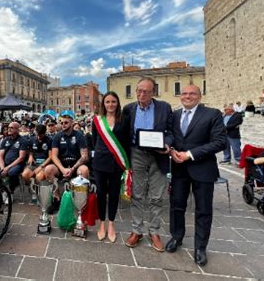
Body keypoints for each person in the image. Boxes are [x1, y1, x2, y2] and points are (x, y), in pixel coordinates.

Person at [167, 85, 227, 266]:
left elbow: (220, 142)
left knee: (203, 210)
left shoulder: (212, 114)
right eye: (184, 93)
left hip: (203, 169)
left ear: (199, 97)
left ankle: (200, 247)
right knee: (176, 206)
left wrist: (190, 154)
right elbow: (169, 135)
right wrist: (171, 151)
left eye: (192, 93)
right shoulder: (174, 115)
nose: (187, 96)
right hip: (178, 169)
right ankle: (176, 237)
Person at [122, 78, 173, 252]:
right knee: (136, 193)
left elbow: (171, 131)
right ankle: (137, 230)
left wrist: (166, 144)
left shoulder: (164, 107)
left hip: (158, 155)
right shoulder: (129, 109)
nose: (142, 94)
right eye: (139, 91)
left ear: (153, 92)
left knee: (157, 196)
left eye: (146, 91)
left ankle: (154, 231)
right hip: (137, 154)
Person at [92, 92, 129, 243]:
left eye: (113, 101)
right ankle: (102, 224)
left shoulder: (124, 120)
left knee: (114, 194)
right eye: (107, 102)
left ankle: (111, 224)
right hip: (100, 163)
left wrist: (127, 164)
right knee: (101, 194)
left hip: (116, 163)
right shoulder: (97, 120)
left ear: (118, 103)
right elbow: (95, 141)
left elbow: (126, 142)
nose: (110, 105)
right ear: (103, 104)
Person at [44, 110, 89, 212]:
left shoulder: (79, 136)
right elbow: (54, 156)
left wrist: (72, 169)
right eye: (62, 123)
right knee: (48, 169)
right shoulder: (57, 136)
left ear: (72, 123)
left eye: (66, 123)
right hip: (62, 167)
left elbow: (84, 156)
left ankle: (80, 200)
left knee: (84, 170)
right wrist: (63, 169)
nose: (63, 125)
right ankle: (57, 198)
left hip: (76, 166)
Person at [21, 124, 53, 204]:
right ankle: (33, 191)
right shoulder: (32, 140)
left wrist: (42, 166)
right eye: (37, 134)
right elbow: (31, 151)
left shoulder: (49, 140)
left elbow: (50, 156)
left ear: (45, 133)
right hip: (34, 163)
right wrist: (30, 156)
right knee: (25, 175)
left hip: (44, 163)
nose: (39, 137)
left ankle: (39, 194)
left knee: (39, 177)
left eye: (41, 135)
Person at [0, 121, 28, 192]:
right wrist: (2, 168)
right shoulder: (5, 140)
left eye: (11, 128)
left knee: (12, 172)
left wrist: (7, 168)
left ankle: (10, 191)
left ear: (17, 129)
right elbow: (0, 156)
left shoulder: (22, 140)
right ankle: (0, 192)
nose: (9, 129)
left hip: (17, 164)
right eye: (8, 128)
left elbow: (21, 157)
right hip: (4, 164)